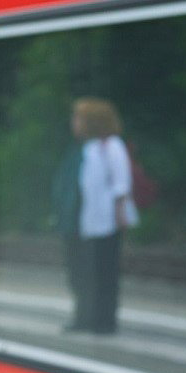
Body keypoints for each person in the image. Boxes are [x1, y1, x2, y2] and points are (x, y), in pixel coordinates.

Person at [61, 97, 130, 334]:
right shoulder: (86, 148)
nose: (74, 123)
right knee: (83, 272)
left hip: (106, 222)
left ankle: (105, 320)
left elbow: (121, 184)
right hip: (85, 222)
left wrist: (120, 216)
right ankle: (85, 316)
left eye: (78, 118)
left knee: (104, 271)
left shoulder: (111, 146)